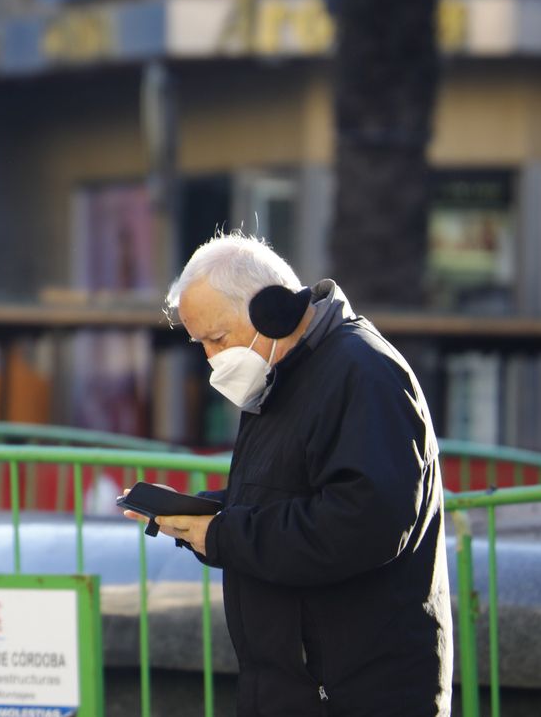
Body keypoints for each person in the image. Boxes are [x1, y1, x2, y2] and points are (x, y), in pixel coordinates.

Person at [125, 233, 452, 715]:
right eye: (201, 344)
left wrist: (226, 535)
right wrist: (203, 517)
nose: (212, 359)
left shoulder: (363, 372)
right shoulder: (281, 373)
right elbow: (287, 494)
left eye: (217, 338)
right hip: (296, 689)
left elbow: (363, 525)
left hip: (352, 694)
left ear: (272, 311)